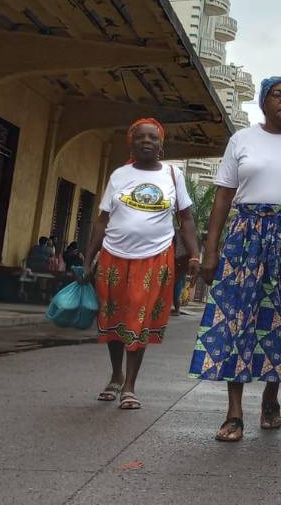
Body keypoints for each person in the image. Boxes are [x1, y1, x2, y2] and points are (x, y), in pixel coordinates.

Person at [189, 76, 281, 442]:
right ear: (263, 101)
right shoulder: (242, 139)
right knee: (237, 318)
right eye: (279, 95)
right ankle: (234, 413)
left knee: (280, 321)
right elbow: (223, 196)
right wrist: (211, 247)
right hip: (245, 236)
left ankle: (271, 398)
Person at [84, 118, 200, 411]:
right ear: (132, 142)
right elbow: (102, 220)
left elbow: (185, 219)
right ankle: (115, 375)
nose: (147, 141)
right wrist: (88, 259)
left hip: (155, 257)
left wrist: (195, 254)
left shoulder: (174, 175)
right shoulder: (119, 175)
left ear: (161, 145)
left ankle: (130, 386)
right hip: (113, 255)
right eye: (141, 137)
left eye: (153, 138)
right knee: (112, 319)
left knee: (139, 318)